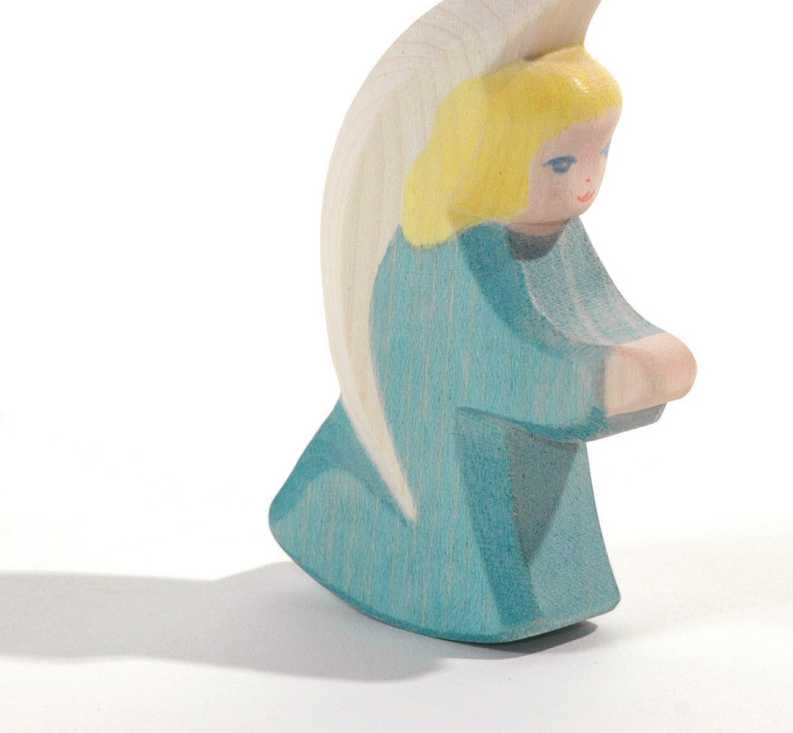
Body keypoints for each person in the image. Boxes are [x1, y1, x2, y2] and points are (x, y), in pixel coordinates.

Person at [269, 45, 695, 643]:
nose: (586, 180)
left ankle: (544, 589)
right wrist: (603, 378)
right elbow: (502, 362)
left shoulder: (552, 232)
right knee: (480, 486)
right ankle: (379, 547)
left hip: (501, 452)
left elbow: (598, 318)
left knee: (534, 474)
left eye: (601, 153)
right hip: (436, 467)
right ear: (494, 159)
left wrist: (636, 357)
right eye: (560, 163)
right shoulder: (445, 250)